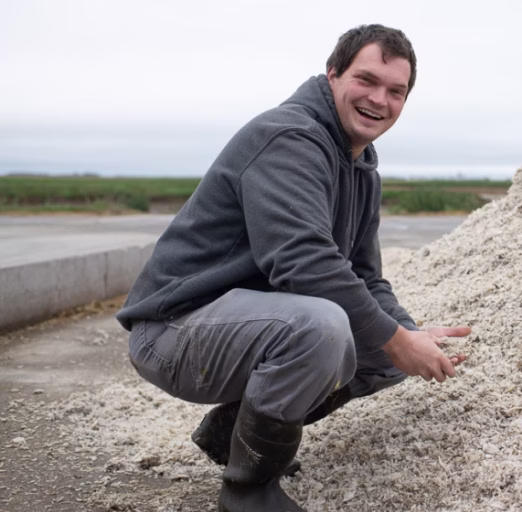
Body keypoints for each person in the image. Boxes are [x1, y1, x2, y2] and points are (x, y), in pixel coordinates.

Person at [115, 24, 469, 512]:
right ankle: (247, 490)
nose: (378, 99)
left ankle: (232, 433)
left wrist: (406, 335)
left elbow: (366, 277)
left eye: (396, 91)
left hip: (247, 327)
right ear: (332, 75)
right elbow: (301, 261)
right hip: (175, 330)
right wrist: (393, 334)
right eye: (365, 80)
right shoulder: (288, 137)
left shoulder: (361, 167)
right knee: (322, 326)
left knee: (387, 351)